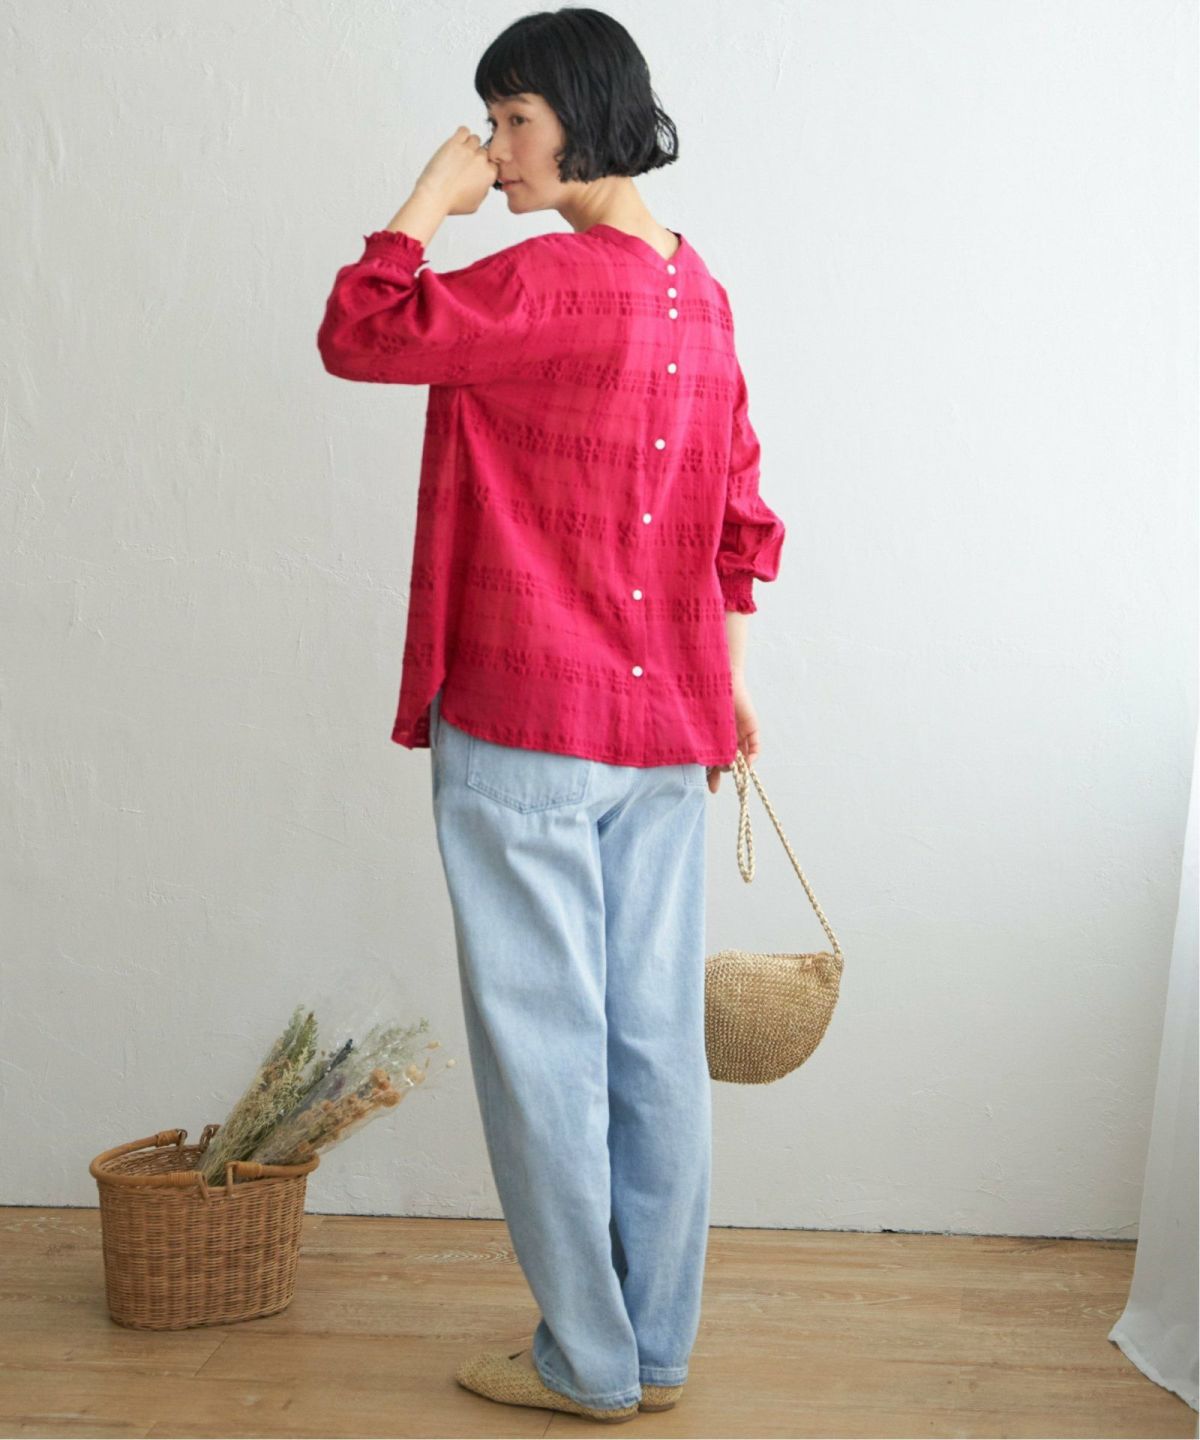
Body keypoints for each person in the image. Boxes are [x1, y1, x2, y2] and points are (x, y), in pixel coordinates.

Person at [318, 6, 786, 1424]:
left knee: (547, 1052)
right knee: (652, 1044)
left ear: (580, 113)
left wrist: (427, 198)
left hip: (527, 718)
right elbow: (740, 518)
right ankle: (655, 1349)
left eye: (510, 119)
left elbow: (360, 330)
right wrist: (732, 684)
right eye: (486, 126)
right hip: (669, 729)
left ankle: (584, 1362)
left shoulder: (541, 282)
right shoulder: (702, 294)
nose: (494, 148)